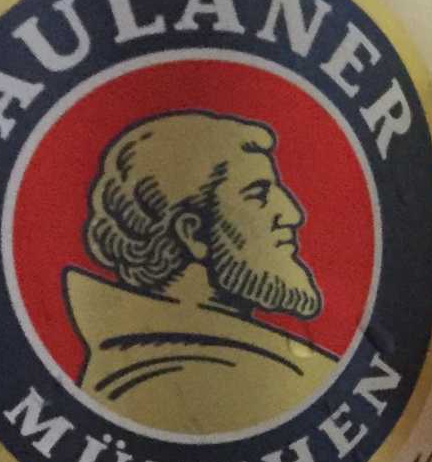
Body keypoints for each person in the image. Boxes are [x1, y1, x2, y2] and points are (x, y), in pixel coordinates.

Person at [63, 111, 339, 433]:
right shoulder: (182, 377)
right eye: (259, 195)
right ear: (192, 233)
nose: (292, 214)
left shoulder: (226, 357)